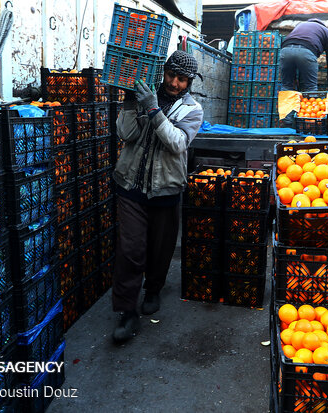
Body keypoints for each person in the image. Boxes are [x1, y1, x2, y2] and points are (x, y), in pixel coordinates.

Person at [111, 50, 204, 343]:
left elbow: (177, 143)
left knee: (160, 248)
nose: (175, 83)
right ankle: (127, 311)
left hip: (166, 189)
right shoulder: (144, 93)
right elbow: (125, 135)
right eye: (171, 75)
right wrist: (130, 102)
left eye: (182, 79)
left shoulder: (193, 110)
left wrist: (153, 110)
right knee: (130, 250)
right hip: (131, 186)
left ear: (189, 82)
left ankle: (153, 288)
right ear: (163, 71)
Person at [279, 18, 328, 92]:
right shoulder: (327, 32)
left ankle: (284, 103)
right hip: (306, 51)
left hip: (285, 50)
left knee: (286, 86)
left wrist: (293, 77)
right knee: (311, 88)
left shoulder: (300, 25)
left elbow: (293, 51)